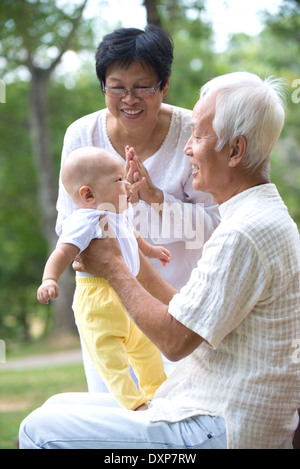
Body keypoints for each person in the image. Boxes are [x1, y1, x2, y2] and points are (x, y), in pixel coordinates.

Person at [19, 72, 300, 449]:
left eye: (199, 135)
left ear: (235, 151)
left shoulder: (243, 233)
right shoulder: (259, 216)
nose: (187, 147)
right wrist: (128, 256)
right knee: (58, 403)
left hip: (219, 426)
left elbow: (172, 339)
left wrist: (115, 269)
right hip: (213, 408)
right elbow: (186, 311)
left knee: (37, 428)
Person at [55, 25, 220, 390]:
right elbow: (69, 223)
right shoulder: (82, 136)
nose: (129, 99)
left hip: (179, 305)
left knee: (176, 418)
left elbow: (215, 228)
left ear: (165, 84)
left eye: (142, 86)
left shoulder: (195, 134)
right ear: (103, 86)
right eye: (117, 87)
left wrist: (157, 199)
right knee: (116, 411)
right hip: (107, 308)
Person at [37, 146, 169, 410]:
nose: (127, 186)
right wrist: (49, 279)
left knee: (145, 346)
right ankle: (134, 403)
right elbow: (63, 251)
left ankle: (159, 392)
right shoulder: (85, 219)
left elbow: (133, 235)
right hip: (98, 300)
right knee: (112, 360)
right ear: (88, 194)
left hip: (125, 294)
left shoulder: (116, 215)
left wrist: (151, 251)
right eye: (119, 180)